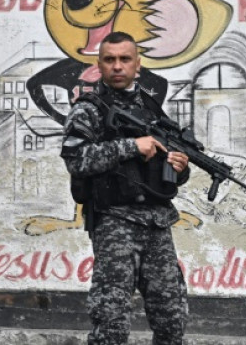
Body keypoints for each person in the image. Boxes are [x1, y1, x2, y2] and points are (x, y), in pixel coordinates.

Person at [61, 31, 191, 345]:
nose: (117, 66)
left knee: (172, 319)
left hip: (157, 224)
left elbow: (165, 169)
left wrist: (179, 167)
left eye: (125, 59)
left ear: (137, 64)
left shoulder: (152, 109)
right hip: (115, 222)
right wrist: (130, 147)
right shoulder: (88, 109)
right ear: (99, 65)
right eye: (110, 59)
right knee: (111, 323)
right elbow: (76, 159)